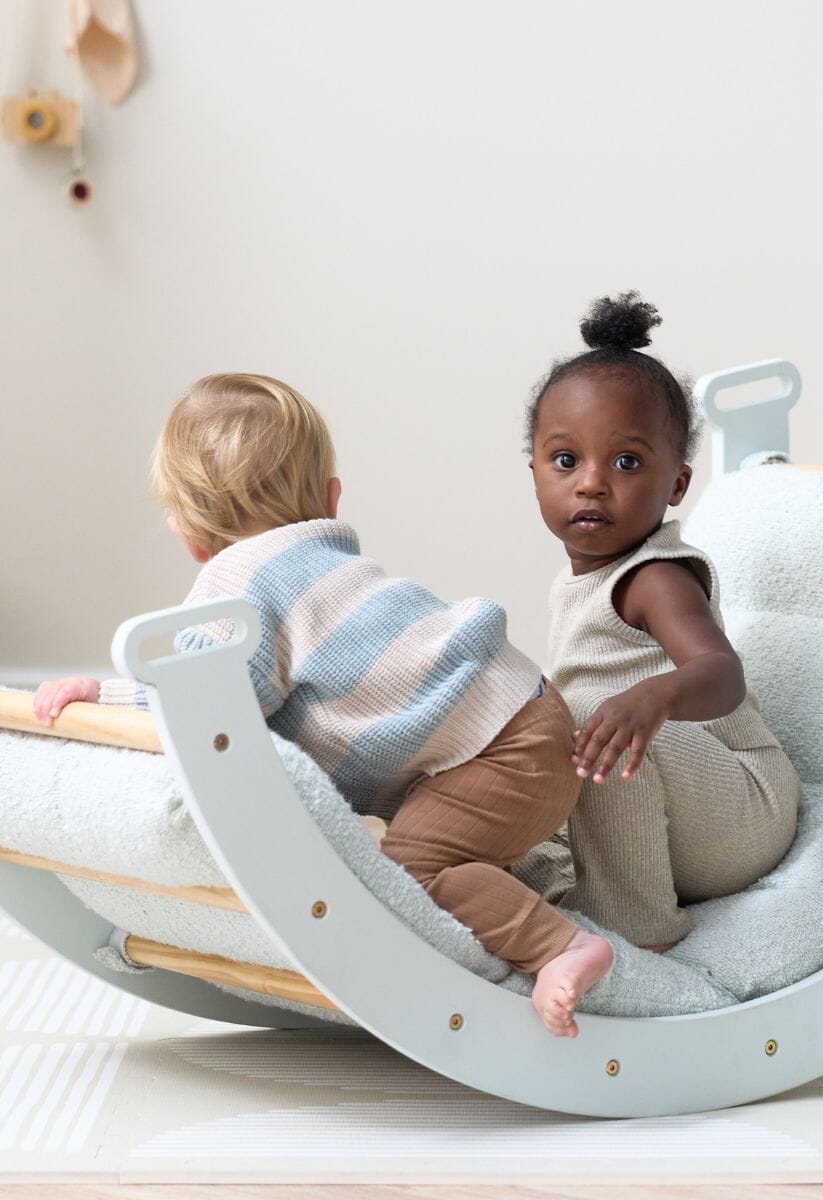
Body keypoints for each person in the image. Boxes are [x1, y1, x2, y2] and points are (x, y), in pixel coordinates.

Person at [34, 372, 611, 1036]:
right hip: (527, 714)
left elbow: (201, 700)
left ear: (188, 534)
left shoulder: (236, 589)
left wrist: (102, 696)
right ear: (331, 500)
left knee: (411, 871)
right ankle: (508, 885)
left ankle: (559, 948)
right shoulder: (324, 562)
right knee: (436, 837)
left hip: (503, 752)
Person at [527, 293, 802, 949]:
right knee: (534, 718)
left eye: (626, 462)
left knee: (595, 719)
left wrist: (655, 696)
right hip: (675, 817)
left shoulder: (655, 576)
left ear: (677, 484)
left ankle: (637, 928)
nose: (591, 483)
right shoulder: (578, 581)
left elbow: (721, 673)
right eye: (566, 460)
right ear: (533, 469)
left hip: (745, 810)